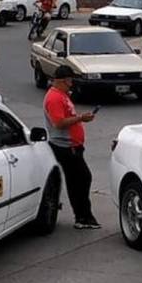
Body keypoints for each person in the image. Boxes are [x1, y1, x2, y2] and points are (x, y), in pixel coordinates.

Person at [43, 65, 100, 230]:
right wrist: (80, 118)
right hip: (65, 147)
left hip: (73, 146)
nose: (71, 84)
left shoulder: (61, 95)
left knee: (80, 179)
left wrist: (80, 118)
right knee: (80, 180)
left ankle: (84, 216)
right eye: (69, 81)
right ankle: (82, 216)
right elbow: (58, 123)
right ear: (61, 81)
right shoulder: (54, 98)